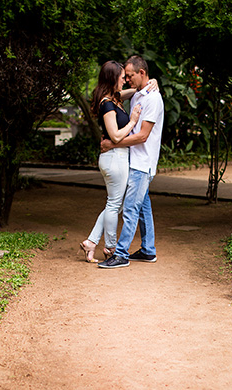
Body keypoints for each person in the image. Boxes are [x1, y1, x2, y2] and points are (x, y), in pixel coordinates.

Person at [98, 54, 164, 269]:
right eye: (124, 76)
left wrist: (112, 144)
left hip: (142, 163)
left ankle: (121, 254)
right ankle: (148, 250)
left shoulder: (153, 99)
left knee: (130, 209)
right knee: (143, 208)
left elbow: (143, 136)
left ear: (142, 73)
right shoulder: (137, 94)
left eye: (130, 76)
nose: (126, 79)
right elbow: (114, 96)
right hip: (133, 159)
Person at [79, 61, 145, 263]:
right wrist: (133, 121)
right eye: (122, 77)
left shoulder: (113, 98)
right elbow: (115, 136)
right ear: (112, 78)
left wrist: (150, 83)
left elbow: (133, 91)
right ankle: (110, 247)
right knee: (115, 204)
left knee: (114, 204)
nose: (125, 80)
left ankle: (91, 242)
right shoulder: (107, 104)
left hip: (116, 159)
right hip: (114, 159)